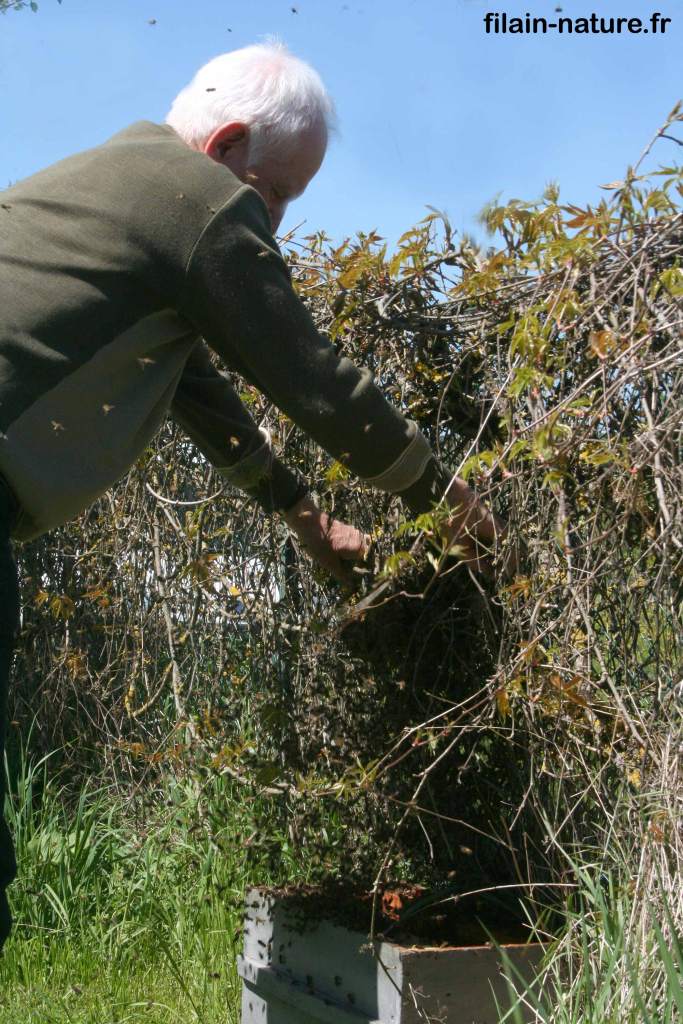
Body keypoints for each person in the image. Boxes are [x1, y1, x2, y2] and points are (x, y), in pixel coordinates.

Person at [0, 41, 505, 950]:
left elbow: (193, 382)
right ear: (228, 145)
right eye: (278, 194)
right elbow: (311, 377)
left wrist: (305, 518)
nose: (270, 221)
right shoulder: (197, 202)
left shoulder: (113, 181)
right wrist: (448, 497)